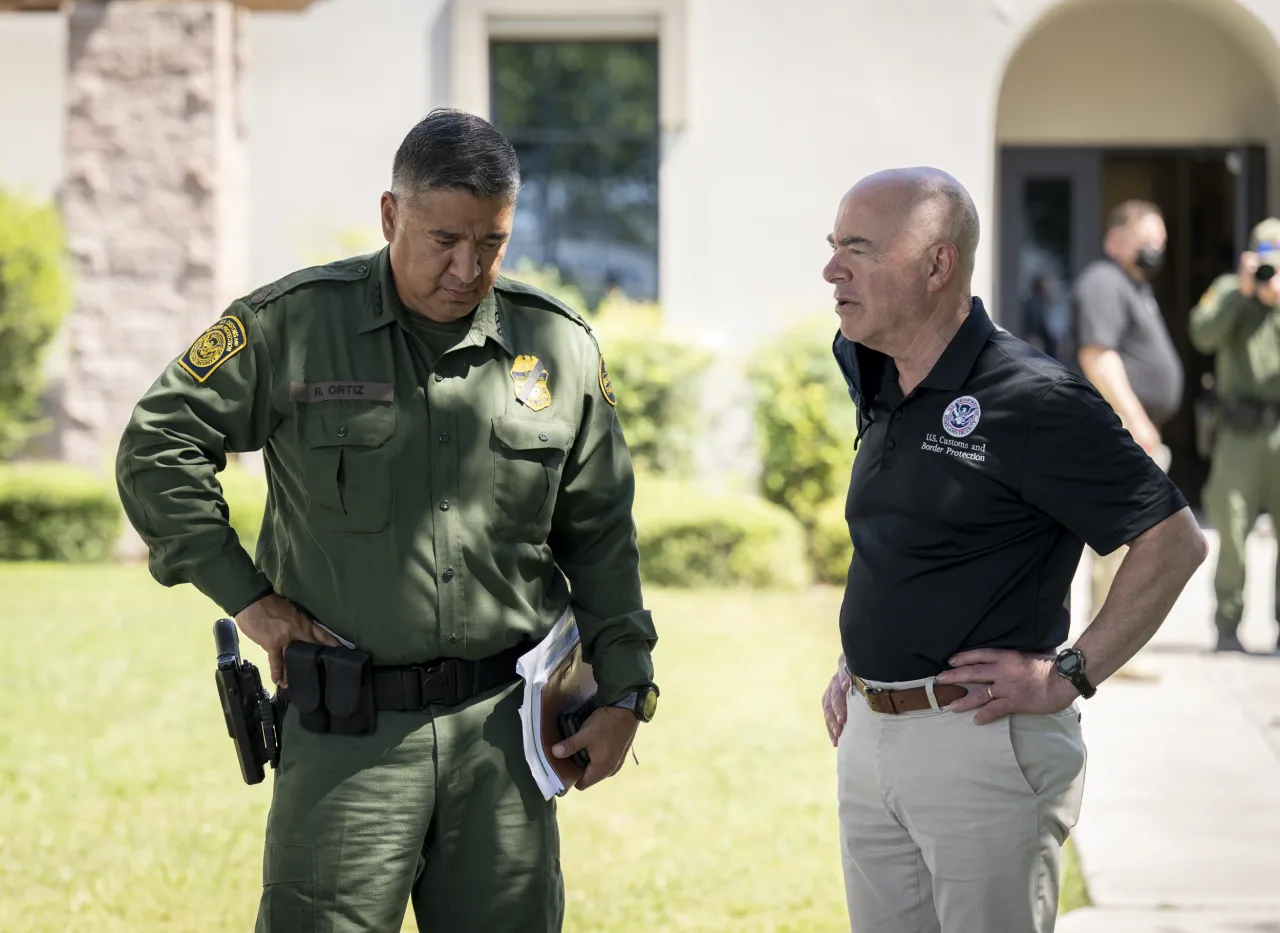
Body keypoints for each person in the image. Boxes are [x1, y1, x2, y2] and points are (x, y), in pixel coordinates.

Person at [115, 108, 660, 933]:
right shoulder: (294, 326)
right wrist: (249, 599)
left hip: (504, 740)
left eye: (491, 242)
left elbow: (602, 532)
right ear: (389, 214)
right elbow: (157, 445)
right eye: (444, 239)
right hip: (348, 739)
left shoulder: (558, 345)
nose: (466, 267)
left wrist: (625, 690)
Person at [818, 167, 1207, 933]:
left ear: (938, 264)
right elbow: (909, 539)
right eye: (833, 246)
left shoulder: (1034, 398)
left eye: (857, 249)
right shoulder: (873, 366)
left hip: (981, 748)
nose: (832, 268)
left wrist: (1071, 672)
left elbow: (1174, 539)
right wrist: (860, 663)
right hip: (869, 736)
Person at [1071, 200, 1184, 619]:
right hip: (1119, 432)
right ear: (1115, 240)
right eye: (1147, 240)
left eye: (1161, 242)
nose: (1156, 249)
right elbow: (1098, 355)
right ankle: (1105, 651)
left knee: (1134, 544)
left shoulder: (1136, 287)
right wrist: (1134, 420)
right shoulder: (1104, 281)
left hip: (1133, 431)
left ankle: (1112, 645)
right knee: (1121, 543)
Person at [1189, 217, 1280, 654]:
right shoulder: (1231, 289)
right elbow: (1202, 334)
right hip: (1238, 433)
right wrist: (1243, 295)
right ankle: (1228, 625)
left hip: (1278, 429)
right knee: (1234, 529)